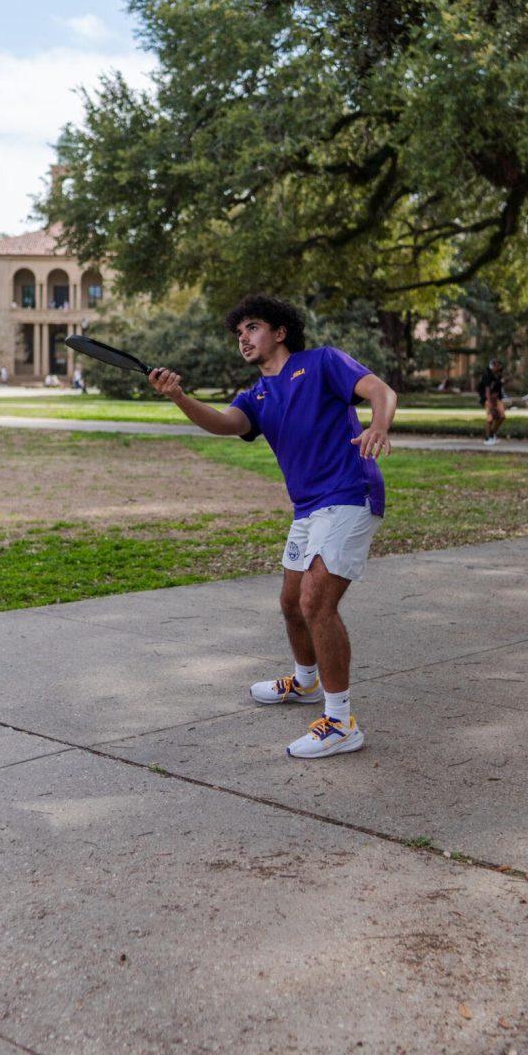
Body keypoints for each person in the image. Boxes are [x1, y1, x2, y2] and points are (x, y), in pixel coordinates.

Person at [148, 294, 396, 760]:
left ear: (279, 332)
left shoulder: (322, 363)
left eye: (253, 327)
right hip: (307, 509)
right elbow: (224, 424)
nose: (243, 337)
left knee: (315, 602)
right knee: (290, 603)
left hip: (349, 492)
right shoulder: (256, 395)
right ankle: (304, 683)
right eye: (238, 332)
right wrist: (178, 396)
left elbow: (383, 392)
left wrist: (379, 426)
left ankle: (341, 722)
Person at [478, 357, 506, 444]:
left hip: (497, 399)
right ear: (492, 366)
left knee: (501, 416)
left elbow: (498, 388)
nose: (498, 366)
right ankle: (487, 438)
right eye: (496, 365)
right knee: (490, 418)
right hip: (487, 398)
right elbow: (487, 390)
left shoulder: (498, 375)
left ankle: (492, 434)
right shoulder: (487, 376)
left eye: (499, 365)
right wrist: (489, 402)